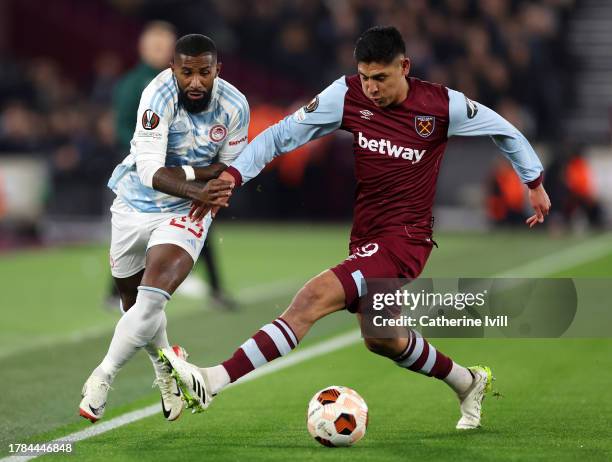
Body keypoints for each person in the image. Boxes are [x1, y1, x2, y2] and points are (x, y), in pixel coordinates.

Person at [162, 26, 550, 430]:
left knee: (312, 298)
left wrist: (534, 182)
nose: (371, 88)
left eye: (380, 78)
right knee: (382, 338)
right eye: (364, 77)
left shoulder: (441, 105)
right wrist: (234, 175)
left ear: (405, 67)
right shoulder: (346, 95)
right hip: (366, 237)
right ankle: (468, 382)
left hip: (405, 239)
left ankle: (212, 380)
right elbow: (279, 136)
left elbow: (503, 130)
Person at [78, 34, 249, 423]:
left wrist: (203, 192)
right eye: (186, 72)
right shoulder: (156, 95)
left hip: (186, 213)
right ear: (173, 69)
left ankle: (102, 377)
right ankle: (166, 370)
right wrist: (198, 181)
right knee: (133, 305)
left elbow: (230, 170)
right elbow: (150, 171)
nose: (194, 81)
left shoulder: (235, 105)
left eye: (204, 72)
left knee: (152, 299)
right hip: (134, 204)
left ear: (217, 71)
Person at [108, 21, 237, 311]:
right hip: (145, 169)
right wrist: (146, 149)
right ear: (143, 48)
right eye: (154, 44)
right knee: (131, 232)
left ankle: (215, 288)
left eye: (164, 43)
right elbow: (120, 126)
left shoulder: (187, 84)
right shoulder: (135, 84)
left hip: (182, 169)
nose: (159, 49)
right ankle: (117, 292)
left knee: (199, 220)